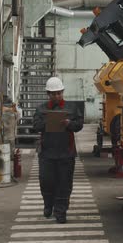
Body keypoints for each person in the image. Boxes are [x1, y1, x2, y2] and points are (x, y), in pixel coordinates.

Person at [32, 77, 83, 223]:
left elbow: (79, 125)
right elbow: (35, 125)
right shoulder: (41, 109)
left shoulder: (71, 108)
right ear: (48, 94)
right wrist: (48, 121)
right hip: (47, 153)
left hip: (66, 153)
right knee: (46, 181)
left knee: (64, 183)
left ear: (62, 92)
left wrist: (69, 123)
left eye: (59, 93)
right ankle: (48, 204)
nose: (56, 96)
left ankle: (61, 212)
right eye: (53, 94)